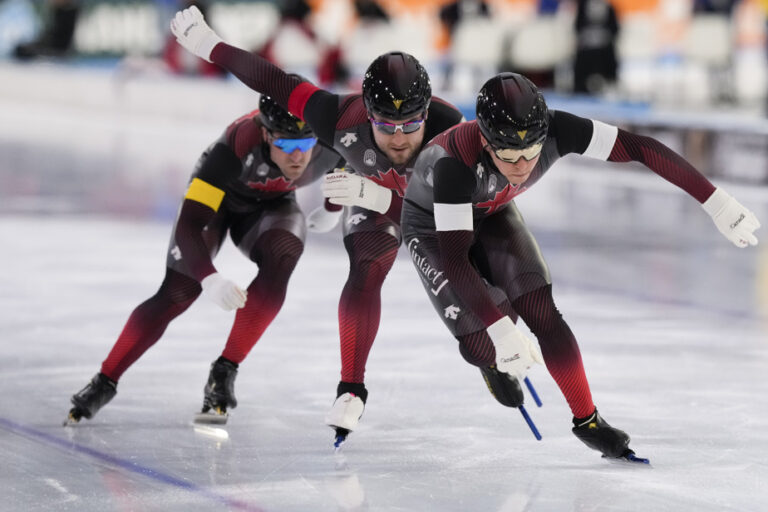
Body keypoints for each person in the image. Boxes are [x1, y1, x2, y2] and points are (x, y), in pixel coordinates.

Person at [401, 72, 760, 460]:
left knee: (541, 310)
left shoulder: (559, 129)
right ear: (486, 142)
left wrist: (716, 202)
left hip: (493, 211)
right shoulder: (455, 163)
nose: (522, 165)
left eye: (532, 152)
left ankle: (588, 420)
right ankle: (488, 361)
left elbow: (640, 147)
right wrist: (500, 332)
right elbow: (455, 261)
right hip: (432, 228)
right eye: (508, 155)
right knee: (486, 337)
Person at [169, 6, 465, 445]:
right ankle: (351, 387)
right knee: (367, 264)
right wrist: (210, 45)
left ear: (428, 115)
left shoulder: (452, 130)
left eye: (410, 125)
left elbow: (445, 218)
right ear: (364, 113)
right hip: (369, 194)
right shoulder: (334, 117)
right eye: (385, 125)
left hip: (409, 197)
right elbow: (271, 80)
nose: (399, 138)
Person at [66, 95, 344, 424]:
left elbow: (352, 163)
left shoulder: (333, 139)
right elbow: (189, 226)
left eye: (306, 142)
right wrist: (210, 278)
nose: (298, 155)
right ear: (267, 134)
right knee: (179, 291)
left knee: (284, 254)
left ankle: (224, 372)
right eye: (285, 142)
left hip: (272, 206)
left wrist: (332, 209)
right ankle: (104, 381)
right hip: (215, 204)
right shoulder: (234, 149)